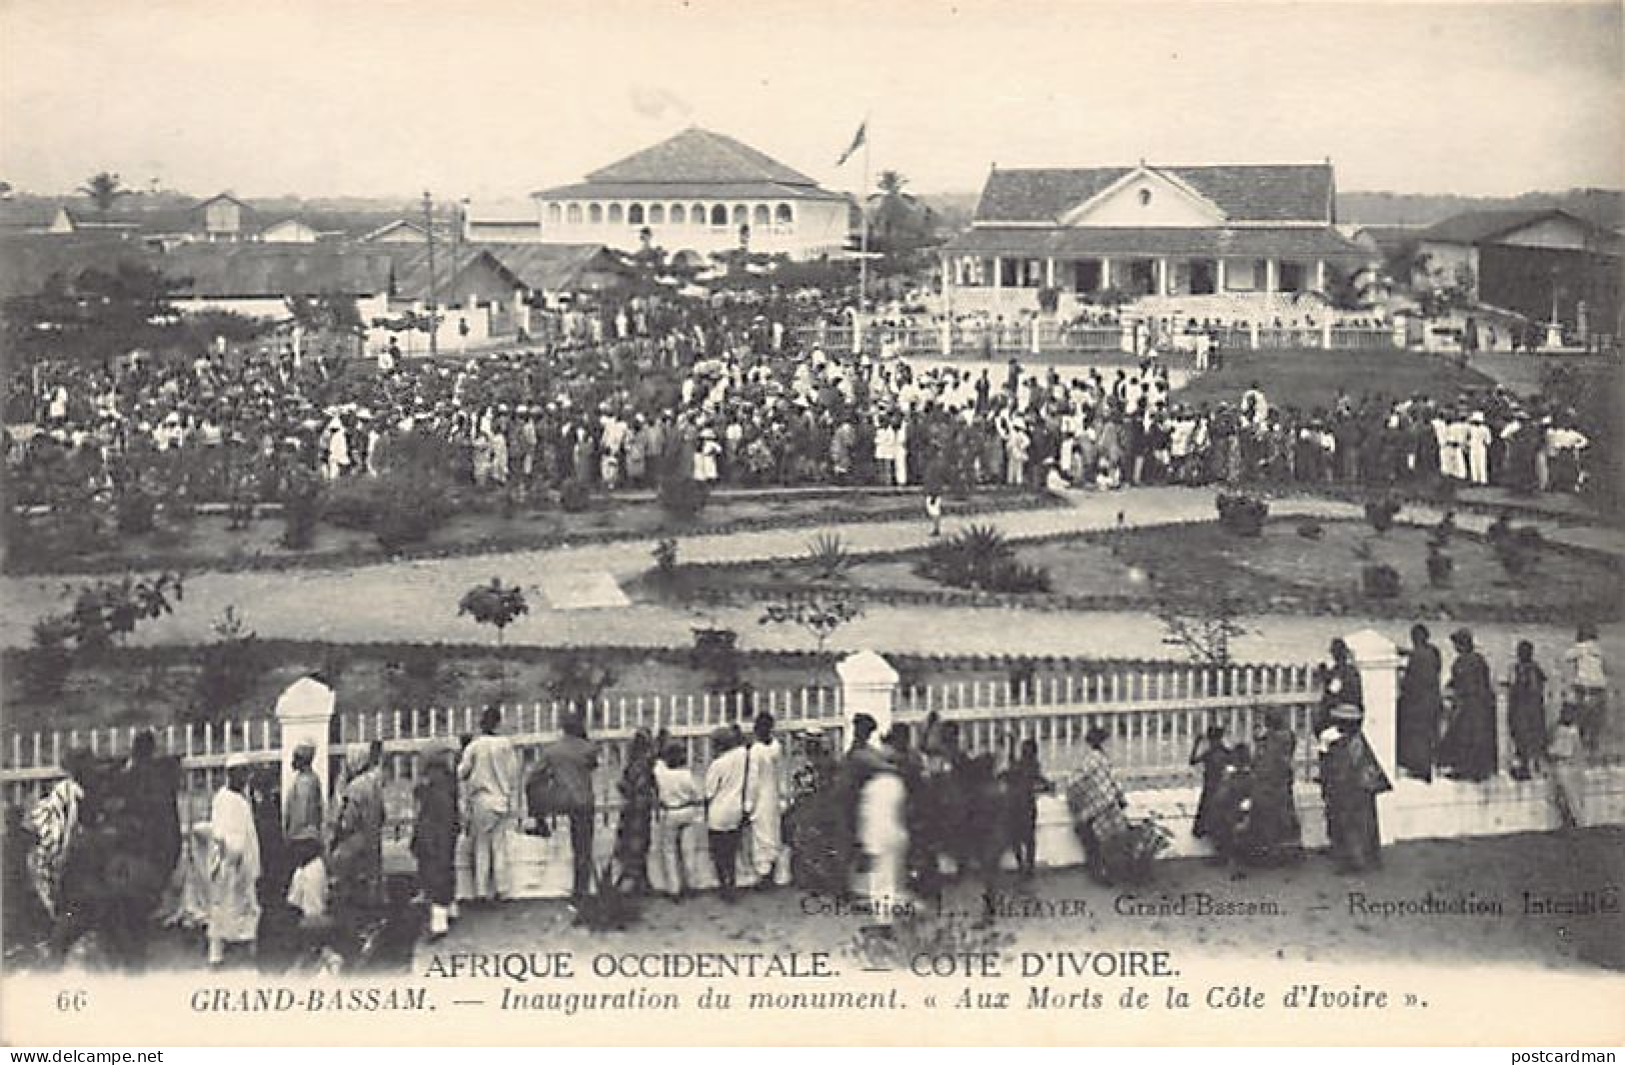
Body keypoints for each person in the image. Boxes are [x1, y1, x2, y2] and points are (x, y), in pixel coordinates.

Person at [1318, 704, 1391, 873]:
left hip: (1350, 792)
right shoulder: (1357, 741)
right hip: (1361, 790)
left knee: (1350, 826)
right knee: (1363, 825)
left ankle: (1354, 861)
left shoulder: (1344, 745)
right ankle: (1366, 858)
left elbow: (1340, 771)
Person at [535, 712, 600, 900]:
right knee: (583, 847)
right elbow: (592, 766)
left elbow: (534, 776)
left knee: (576, 843)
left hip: (560, 800)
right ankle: (582, 889)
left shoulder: (552, 751)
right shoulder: (589, 748)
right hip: (584, 800)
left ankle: (540, 824)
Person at [459, 706, 521, 902]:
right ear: (498, 723)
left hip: (482, 800)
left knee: (481, 846)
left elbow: (462, 772)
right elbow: (513, 773)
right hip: (501, 799)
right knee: (499, 845)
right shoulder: (505, 745)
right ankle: (502, 889)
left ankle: (480, 891)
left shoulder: (475, 746)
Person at [206, 754, 262, 967]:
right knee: (230, 908)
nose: (245, 779)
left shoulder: (232, 798)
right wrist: (234, 861)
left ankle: (225, 952)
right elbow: (225, 835)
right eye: (242, 774)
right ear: (232, 775)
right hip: (232, 865)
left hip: (236, 863)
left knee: (233, 908)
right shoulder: (229, 800)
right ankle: (227, 954)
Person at [26, 748, 91, 926]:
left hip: (58, 842)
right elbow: (69, 823)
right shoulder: (69, 790)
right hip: (57, 841)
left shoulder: (68, 789)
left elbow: (70, 823)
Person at [1065, 726, 1130, 884]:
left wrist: (1077, 798)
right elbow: (1111, 780)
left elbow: (1076, 782)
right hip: (1106, 802)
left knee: (1091, 840)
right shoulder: (1102, 759)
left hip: (1093, 805)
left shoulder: (1089, 760)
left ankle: (1097, 871)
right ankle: (1107, 871)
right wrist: (1120, 797)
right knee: (1108, 839)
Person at [855, 738, 908, 934]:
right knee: (894, 878)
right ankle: (894, 918)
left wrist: (867, 844)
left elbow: (870, 817)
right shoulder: (897, 783)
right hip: (897, 834)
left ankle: (883, 923)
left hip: (880, 836)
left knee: (880, 881)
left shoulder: (873, 788)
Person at [412, 744, 460, 940]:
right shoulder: (447, 780)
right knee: (446, 869)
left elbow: (431, 813)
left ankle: (438, 923)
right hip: (444, 833)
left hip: (435, 835)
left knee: (436, 874)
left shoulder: (434, 784)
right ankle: (449, 909)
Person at [1242, 708, 1302, 865]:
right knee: (1283, 816)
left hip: (1270, 783)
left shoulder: (1274, 739)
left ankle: (1269, 852)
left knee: (1268, 817)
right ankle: (1283, 852)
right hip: (1281, 782)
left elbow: (1263, 761)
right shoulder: (1285, 736)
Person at [1442, 628, 1498, 782]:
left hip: (1470, 704)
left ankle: (1466, 768)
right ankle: (1474, 769)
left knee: (1466, 736)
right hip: (1477, 703)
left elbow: (1462, 682)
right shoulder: (1477, 660)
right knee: (1473, 737)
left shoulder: (1465, 662)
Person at [652, 741, 704, 899]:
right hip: (687, 810)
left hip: (670, 812)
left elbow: (657, 764)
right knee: (688, 850)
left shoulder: (661, 774)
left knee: (669, 852)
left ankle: (674, 888)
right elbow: (696, 794)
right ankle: (692, 884)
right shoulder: (686, 775)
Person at [703, 727, 750, 902]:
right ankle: (732, 883)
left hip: (719, 811)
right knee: (731, 851)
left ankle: (724, 886)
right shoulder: (741, 757)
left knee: (718, 853)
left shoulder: (718, 764)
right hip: (736, 809)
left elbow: (709, 792)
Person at [743, 712, 785, 889]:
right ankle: (772, 868)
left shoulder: (756, 750)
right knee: (772, 832)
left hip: (761, 796)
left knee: (761, 834)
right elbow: (781, 773)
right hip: (773, 794)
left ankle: (764, 873)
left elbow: (752, 780)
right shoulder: (776, 746)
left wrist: (748, 804)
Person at [1398, 624, 1444, 782]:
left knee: (1418, 737)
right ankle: (1433, 766)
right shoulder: (1433, 652)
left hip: (1419, 705)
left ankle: (1421, 769)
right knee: (1432, 735)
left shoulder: (1417, 657)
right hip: (1434, 701)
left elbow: (1410, 682)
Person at [612, 729, 656, 895]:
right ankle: (633, 883)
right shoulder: (644, 765)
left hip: (632, 809)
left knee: (633, 845)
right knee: (637, 846)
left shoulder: (633, 764)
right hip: (639, 810)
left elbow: (624, 785)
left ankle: (637, 881)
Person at [1001, 736, 1051, 876]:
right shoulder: (1033, 766)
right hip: (1027, 805)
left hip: (1014, 805)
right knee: (1029, 838)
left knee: (1016, 838)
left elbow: (1009, 768)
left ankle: (1022, 865)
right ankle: (1029, 866)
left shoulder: (1018, 766)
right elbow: (1040, 781)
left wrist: (1010, 745)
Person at [1504, 640, 1549, 781]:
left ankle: (1526, 766)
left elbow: (1516, 687)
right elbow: (1541, 684)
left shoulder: (1518, 668)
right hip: (1534, 708)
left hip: (1522, 708)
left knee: (1521, 738)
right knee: (1534, 738)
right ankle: (1536, 766)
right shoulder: (1535, 668)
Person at [1563, 624, 1608, 753]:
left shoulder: (1580, 648)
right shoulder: (1599, 650)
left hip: (1583, 687)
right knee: (1596, 720)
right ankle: (1593, 746)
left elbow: (1566, 657)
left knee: (1582, 717)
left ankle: (1583, 744)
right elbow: (1606, 668)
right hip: (1599, 687)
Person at [1189, 723, 1232, 840]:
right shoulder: (1220, 752)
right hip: (1215, 783)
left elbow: (1192, 760)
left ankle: (1206, 828)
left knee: (1207, 807)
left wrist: (1196, 744)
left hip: (1212, 783)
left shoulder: (1211, 753)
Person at [1547, 705, 1585, 829]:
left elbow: (1562, 751)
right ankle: (1571, 822)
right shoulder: (1567, 730)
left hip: (1567, 769)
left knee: (1570, 799)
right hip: (1568, 769)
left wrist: (1549, 751)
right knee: (1563, 799)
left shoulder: (1568, 731)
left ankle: (1575, 823)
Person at [1316, 638, 1363, 734]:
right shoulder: (1353, 670)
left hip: (1341, 715)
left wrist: (1324, 676)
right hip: (1356, 714)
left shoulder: (1339, 671)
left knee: (1323, 732)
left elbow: (1333, 690)